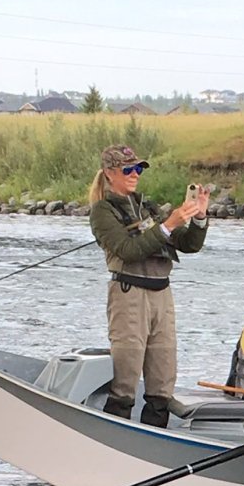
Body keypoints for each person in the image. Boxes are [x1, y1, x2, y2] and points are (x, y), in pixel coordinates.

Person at [88, 144, 210, 427]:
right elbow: (127, 251)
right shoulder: (102, 212)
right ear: (109, 173)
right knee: (126, 376)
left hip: (162, 296)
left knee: (163, 377)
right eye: (128, 169)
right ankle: (113, 437)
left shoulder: (147, 207)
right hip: (128, 295)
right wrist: (166, 225)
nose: (135, 174)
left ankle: (155, 436)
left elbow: (189, 244)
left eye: (138, 169)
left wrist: (198, 218)